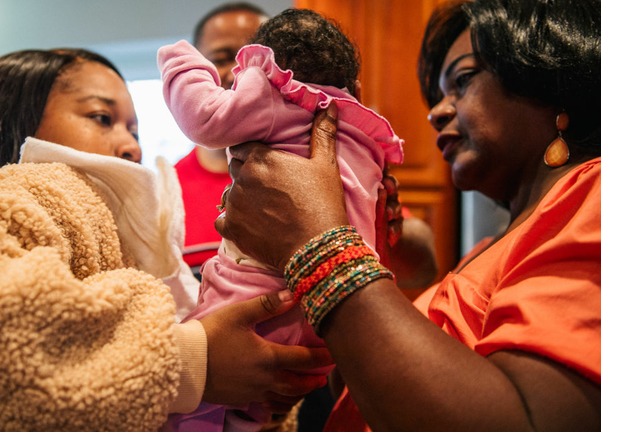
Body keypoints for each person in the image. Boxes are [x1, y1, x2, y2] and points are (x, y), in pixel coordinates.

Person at [215, 0, 601, 430]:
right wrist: (366, 260)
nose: (436, 112)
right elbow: (371, 399)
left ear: (550, 78)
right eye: (438, 96)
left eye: (463, 81)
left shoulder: (600, 196)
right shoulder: (487, 249)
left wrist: (323, 248)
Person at [0, 48, 332, 431]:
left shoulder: (129, 234)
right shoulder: (28, 194)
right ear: (12, 121)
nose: (132, 147)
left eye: (134, 131)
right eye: (102, 118)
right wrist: (192, 361)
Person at [159, 8, 404, 431]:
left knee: (196, 407)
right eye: (221, 57)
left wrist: (180, 62)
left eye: (244, 59)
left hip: (266, 310)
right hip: (331, 315)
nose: (234, 74)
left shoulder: (273, 98)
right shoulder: (361, 134)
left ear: (267, 67)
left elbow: (202, 115)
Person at [173, 2, 269, 279]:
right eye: (222, 58)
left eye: (256, 59)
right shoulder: (164, 194)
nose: (239, 73)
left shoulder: (313, 175)